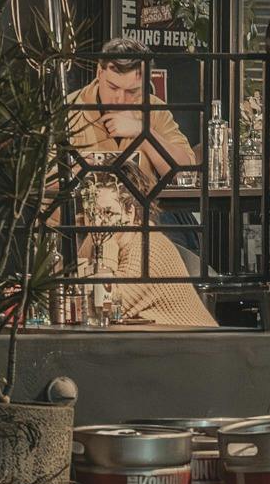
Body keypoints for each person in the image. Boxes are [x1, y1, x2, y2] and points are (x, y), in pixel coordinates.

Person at [61, 43, 215, 329]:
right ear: (99, 73)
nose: (120, 99)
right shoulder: (70, 111)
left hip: (144, 233)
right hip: (85, 236)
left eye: (132, 92)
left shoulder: (153, 109)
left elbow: (186, 170)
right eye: (113, 87)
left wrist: (144, 133)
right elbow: (44, 186)